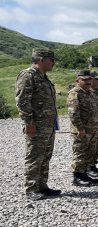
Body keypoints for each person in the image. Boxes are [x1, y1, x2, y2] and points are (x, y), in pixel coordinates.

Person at [15, 48, 61, 201]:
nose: (53, 63)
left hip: (48, 125)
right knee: (34, 156)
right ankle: (31, 188)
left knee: (45, 156)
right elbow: (22, 102)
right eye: (51, 60)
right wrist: (29, 123)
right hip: (37, 125)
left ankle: (42, 186)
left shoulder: (43, 77)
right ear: (42, 60)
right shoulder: (28, 76)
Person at [67, 70, 98, 186]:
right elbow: (73, 113)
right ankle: (77, 176)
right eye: (84, 80)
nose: (88, 82)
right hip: (82, 130)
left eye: (89, 79)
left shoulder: (88, 93)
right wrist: (80, 129)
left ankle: (84, 174)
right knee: (80, 153)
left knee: (88, 153)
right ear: (78, 81)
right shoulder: (75, 93)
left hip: (91, 129)